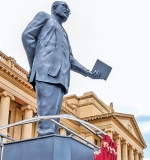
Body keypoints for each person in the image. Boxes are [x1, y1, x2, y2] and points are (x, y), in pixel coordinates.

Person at [22, 1, 102, 136]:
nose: (67, 10)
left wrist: (88, 73)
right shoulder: (45, 17)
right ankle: (45, 149)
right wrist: (36, 64)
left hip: (61, 78)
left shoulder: (64, 33)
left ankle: (51, 148)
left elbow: (71, 59)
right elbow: (27, 36)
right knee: (46, 121)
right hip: (45, 73)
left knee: (54, 123)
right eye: (64, 7)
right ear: (54, 8)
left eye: (69, 10)